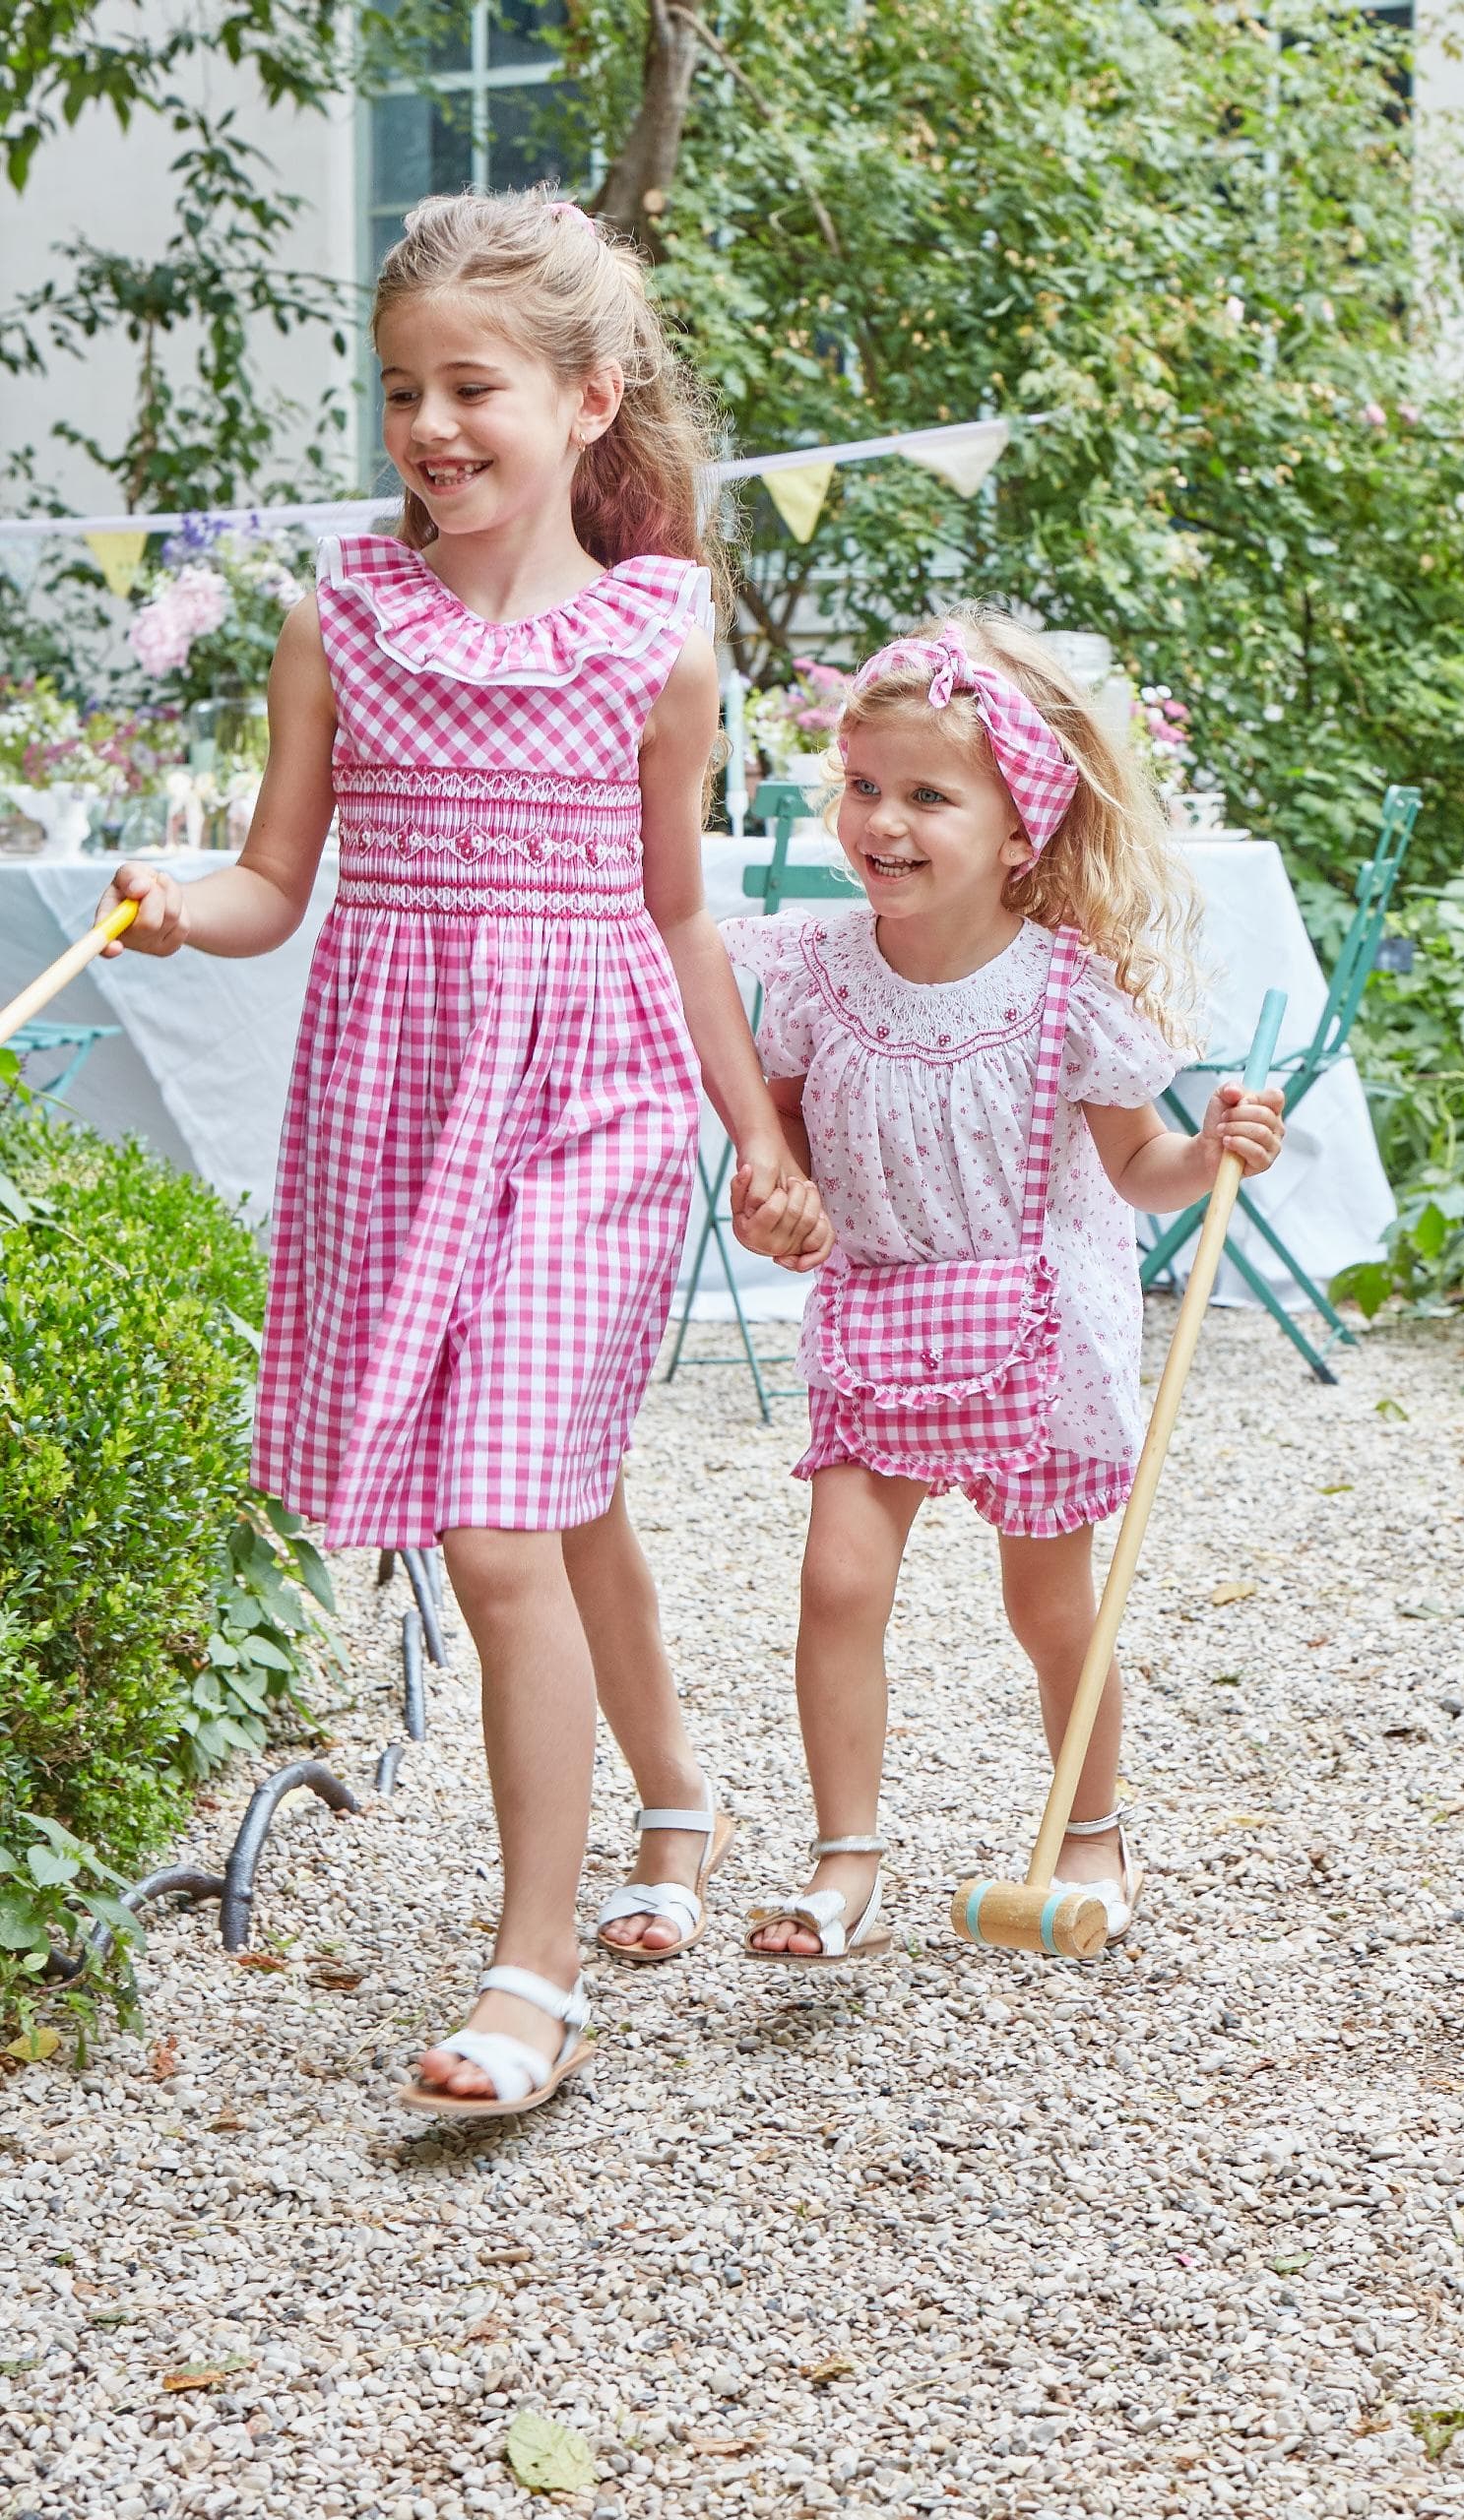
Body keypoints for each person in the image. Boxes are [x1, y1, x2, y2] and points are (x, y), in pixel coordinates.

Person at [95, 189, 831, 2115]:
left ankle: (531, 1969)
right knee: (565, 1500)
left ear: (589, 399)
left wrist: (754, 1132)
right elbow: (277, 881)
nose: (430, 422)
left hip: (588, 1105)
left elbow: (678, 915)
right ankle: (675, 1802)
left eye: (472, 384)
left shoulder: (660, 643)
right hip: (395, 1108)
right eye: (401, 387)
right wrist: (181, 908)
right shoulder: (339, 620)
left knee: (502, 1516)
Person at [721, 613, 1284, 1964]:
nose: (885, 822)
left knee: (1047, 1606)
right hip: (880, 1312)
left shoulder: (1065, 993)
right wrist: (776, 1197)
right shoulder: (810, 976)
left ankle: (1090, 1831)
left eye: (928, 795)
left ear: (1021, 828)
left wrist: (1207, 1154)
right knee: (839, 1584)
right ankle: (844, 1861)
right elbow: (779, 1145)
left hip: (1038, 1329)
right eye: (864, 786)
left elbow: (1141, 1166)